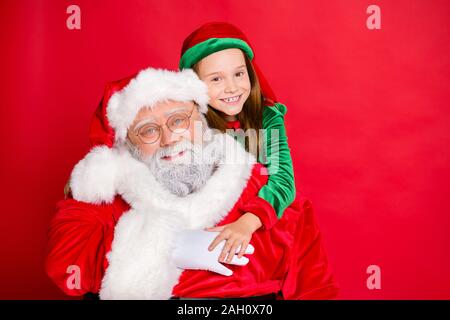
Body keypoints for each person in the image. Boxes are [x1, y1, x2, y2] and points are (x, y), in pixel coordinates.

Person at [45, 67, 338, 299]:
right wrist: (171, 246)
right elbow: (65, 265)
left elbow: (315, 290)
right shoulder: (102, 197)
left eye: (178, 120)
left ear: (200, 119)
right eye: (148, 130)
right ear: (126, 145)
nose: (170, 138)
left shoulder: (266, 192)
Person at [179, 22, 297, 260]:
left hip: (257, 222)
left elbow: (283, 178)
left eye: (238, 73)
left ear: (249, 72)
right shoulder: (187, 122)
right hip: (208, 224)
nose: (232, 87)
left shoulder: (267, 117)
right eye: (216, 79)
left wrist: (247, 223)